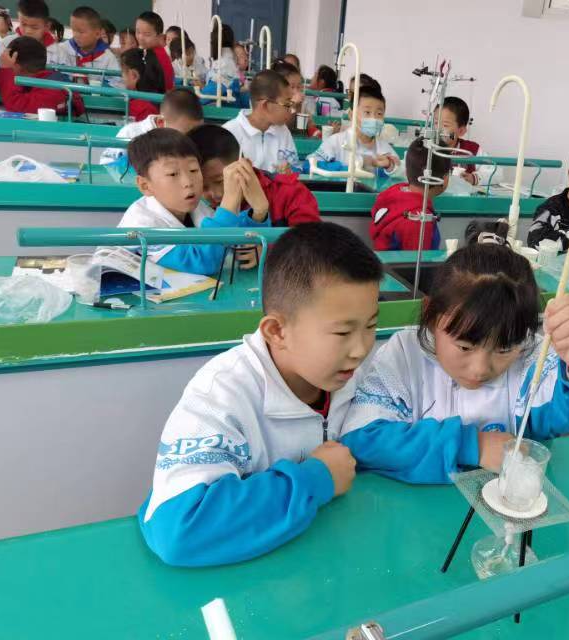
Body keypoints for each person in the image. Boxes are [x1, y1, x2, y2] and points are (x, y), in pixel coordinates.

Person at [138, 222, 379, 566]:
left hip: (324, 559)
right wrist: (317, 478)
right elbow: (179, 530)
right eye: (342, 333)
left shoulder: (351, 374)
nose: (361, 350)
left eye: (371, 326)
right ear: (277, 331)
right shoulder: (222, 394)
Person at [340, 242, 569, 483]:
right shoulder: (404, 356)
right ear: (430, 314)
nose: (481, 369)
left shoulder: (532, 357)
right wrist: (474, 446)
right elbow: (362, 440)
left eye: (504, 349)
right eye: (464, 347)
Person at [117, 128, 269, 275]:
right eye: (173, 174)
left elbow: (231, 242)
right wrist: (229, 200)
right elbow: (202, 261)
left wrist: (259, 213)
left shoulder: (199, 209)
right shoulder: (141, 224)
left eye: (194, 170)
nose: (188, 182)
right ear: (145, 185)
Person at [189, 124, 320, 228]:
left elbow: (310, 247)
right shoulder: (193, 207)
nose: (215, 194)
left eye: (221, 181)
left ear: (246, 165)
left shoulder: (291, 193)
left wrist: (265, 247)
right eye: (203, 187)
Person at [369, 136, 450, 250]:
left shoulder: (394, 193)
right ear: (444, 179)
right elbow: (416, 260)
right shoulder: (418, 220)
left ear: (406, 172)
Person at [101, 88, 204, 165]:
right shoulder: (130, 134)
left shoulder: (195, 140)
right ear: (161, 122)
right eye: (183, 135)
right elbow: (106, 164)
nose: (188, 141)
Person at [311, 85, 400, 174]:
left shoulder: (385, 149)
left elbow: (402, 172)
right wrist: (348, 167)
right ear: (351, 115)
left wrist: (389, 166)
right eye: (367, 112)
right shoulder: (336, 141)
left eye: (379, 113)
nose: (374, 118)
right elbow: (310, 165)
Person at [223, 70, 298, 173]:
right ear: (265, 106)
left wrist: (289, 171)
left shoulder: (283, 131)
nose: (291, 110)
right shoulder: (230, 133)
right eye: (287, 104)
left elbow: (295, 167)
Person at [0, 35, 84, 115]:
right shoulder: (39, 80)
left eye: (4, 64)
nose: (1, 67)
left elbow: (15, 106)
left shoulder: (54, 90)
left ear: (17, 66)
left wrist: (6, 70)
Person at [434, 96, 499, 189]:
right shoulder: (424, 146)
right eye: (436, 123)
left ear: (461, 131)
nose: (438, 130)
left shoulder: (472, 150)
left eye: (445, 125)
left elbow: (496, 172)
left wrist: (474, 178)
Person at [54, 6, 119, 72]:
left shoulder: (108, 58)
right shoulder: (61, 49)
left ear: (97, 34)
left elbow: (115, 78)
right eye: (73, 30)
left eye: (81, 32)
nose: (76, 35)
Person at [0, 0, 58, 67]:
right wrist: (4, 67)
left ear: (47, 26)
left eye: (34, 27)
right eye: (23, 24)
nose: (28, 31)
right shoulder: (6, 43)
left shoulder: (57, 51)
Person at [119, 47, 164, 121]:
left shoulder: (141, 107)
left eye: (122, 72)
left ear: (134, 75)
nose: (122, 77)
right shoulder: (156, 96)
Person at [135, 11, 174, 90]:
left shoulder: (156, 56)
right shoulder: (151, 51)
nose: (140, 37)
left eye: (147, 34)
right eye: (138, 32)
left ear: (159, 36)